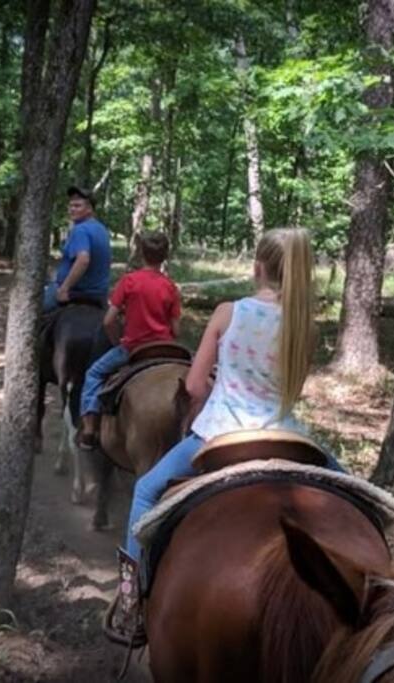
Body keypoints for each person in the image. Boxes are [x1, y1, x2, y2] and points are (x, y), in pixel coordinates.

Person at [103, 227, 343, 646]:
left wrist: (223, 381)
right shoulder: (305, 328)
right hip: (287, 434)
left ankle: (130, 600)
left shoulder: (228, 313)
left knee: (145, 491)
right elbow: (291, 390)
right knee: (355, 493)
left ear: (257, 268)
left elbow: (194, 388)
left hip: (221, 432)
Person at [78, 231, 182, 450]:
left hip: (133, 348)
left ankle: (88, 429)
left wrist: (119, 342)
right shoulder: (171, 287)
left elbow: (108, 321)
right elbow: (176, 329)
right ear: (164, 256)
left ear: (141, 254)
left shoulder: (129, 281)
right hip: (166, 349)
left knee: (94, 373)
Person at [43, 186, 111, 312]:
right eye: (70, 206)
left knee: (34, 311)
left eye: (78, 206)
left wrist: (64, 288)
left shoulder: (80, 230)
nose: (72, 210)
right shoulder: (102, 229)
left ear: (89, 209)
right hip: (100, 293)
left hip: (77, 292)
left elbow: (83, 260)